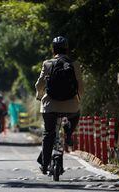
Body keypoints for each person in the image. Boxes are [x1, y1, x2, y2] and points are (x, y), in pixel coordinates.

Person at [35, 36, 84, 174]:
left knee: (48, 133)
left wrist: (39, 96)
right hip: (70, 105)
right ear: (67, 49)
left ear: (53, 49)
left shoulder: (47, 63)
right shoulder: (74, 64)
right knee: (76, 113)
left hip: (50, 106)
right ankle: (68, 135)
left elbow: (39, 84)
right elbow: (80, 85)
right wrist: (78, 99)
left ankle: (44, 165)